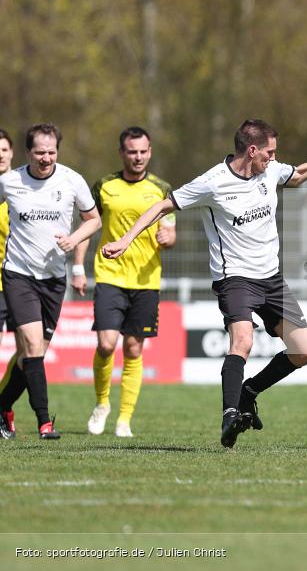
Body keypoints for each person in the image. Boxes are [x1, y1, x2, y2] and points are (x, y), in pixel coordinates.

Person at [102, 119, 307, 448]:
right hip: (234, 278)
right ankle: (230, 415)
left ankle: (249, 391)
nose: (273, 158)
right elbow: (163, 205)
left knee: (306, 351)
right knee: (243, 341)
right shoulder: (213, 182)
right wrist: (126, 240)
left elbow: (298, 175)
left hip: (271, 279)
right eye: (269, 152)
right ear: (252, 150)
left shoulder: (270, 171)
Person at [72, 127, 176, 438]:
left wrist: (168, 238)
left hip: (146, 279)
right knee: (106, 345)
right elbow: (88, 226)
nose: (138, 157)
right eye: (132, 151)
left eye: (143, 151)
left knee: (132, 349)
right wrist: (78, 267)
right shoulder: (104, 186)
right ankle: (102, 403)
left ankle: (124, 419)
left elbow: (171, 231)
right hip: (109, 275)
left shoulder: (161, 188)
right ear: (122, 153)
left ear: (150, 152)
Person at [0, 123, 101, 440]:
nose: (46, 158)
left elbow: (93, 219)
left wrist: (75, 240)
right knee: (31, 346)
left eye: (52, 152)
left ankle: (2, 407)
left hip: (54, 280)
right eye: (40, 152)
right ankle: (44, 422)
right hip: (18, 275)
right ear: (28, 152)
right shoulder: (10, 181)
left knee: (34, 355)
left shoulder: (72, 180)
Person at [0, 129, 15, 436]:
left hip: (26, 280)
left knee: (32, 351)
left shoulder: (25, 187)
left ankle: (3, 403)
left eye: (3, 149)